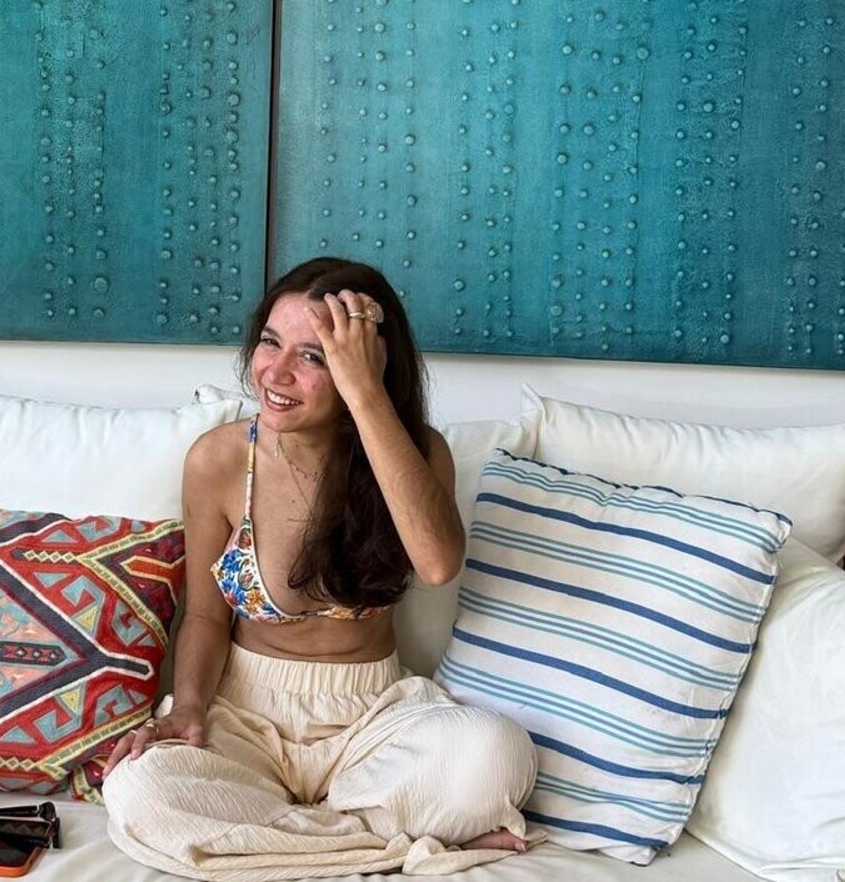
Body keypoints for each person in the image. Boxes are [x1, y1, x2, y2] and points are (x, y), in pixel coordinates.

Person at [102, 257, 538, 879]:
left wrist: (366, 395)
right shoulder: (218, 461)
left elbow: (439, 563)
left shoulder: (416, 452)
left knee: (499, 754)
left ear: (365, 365)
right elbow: (204, 614)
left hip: (373, 719)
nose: (276, 373)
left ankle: (276, 842)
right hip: (243, 717)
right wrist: (189, 707)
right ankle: (390, 843)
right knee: (137, 790)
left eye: (313, 356)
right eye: (270, 342)